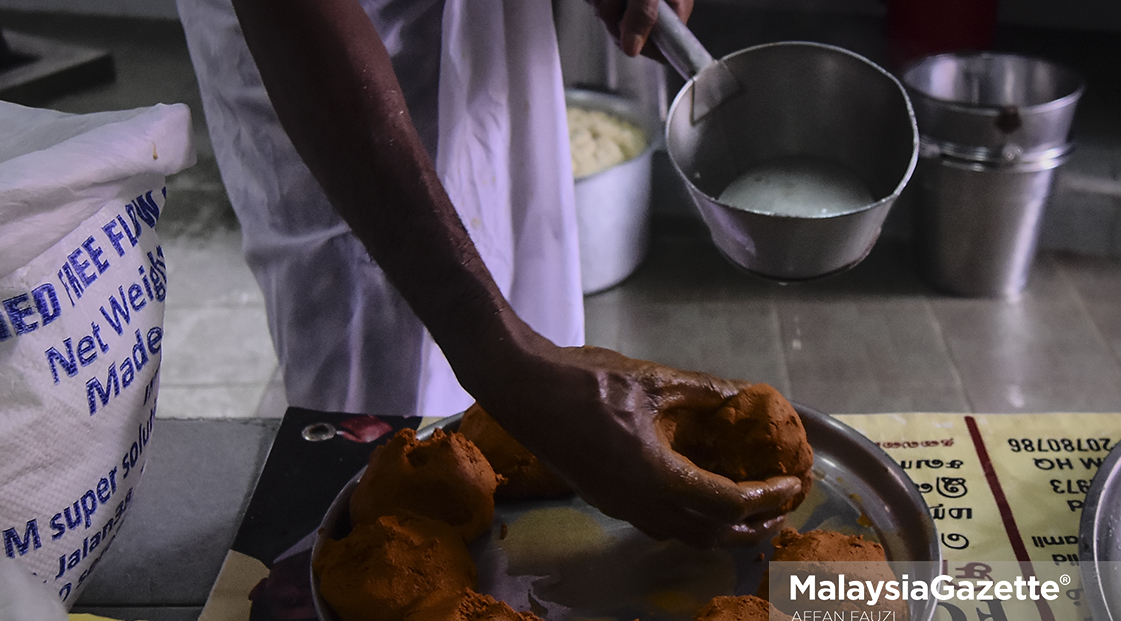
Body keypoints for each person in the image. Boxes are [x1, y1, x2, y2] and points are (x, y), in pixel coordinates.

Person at [179, 0, 801, 547]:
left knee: (536, 367)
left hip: (483, 24)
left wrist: (519, 364)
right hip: (325, 64)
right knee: (377, 465)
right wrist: (501, 358)